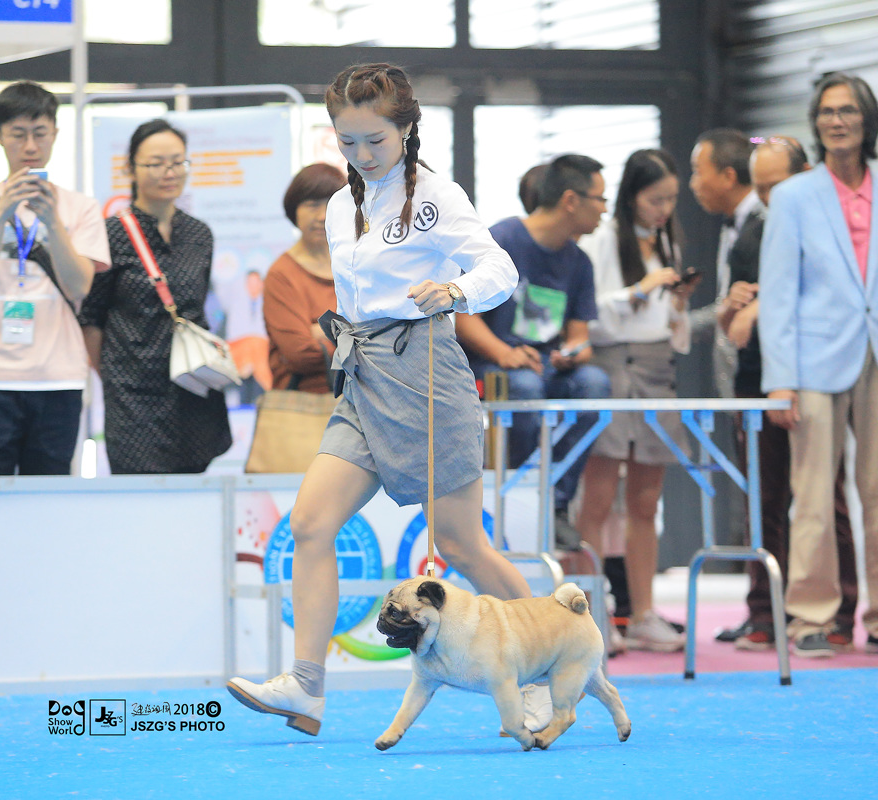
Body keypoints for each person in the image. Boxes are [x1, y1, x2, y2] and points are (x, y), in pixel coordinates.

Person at [227, 63, 551, 737]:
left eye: (374, 140)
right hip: (363, 375)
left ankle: (542, 668)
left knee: (463, 544)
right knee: (310, 524)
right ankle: (306, 685)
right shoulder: (339, 205)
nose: (362, 154)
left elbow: (500, 268)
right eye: (347, 141)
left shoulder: (436, 195)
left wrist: (456, 291)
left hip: (427, 372)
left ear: (406, 129)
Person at [715, 135, 858, 652]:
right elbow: (732, 323)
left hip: (816, 372)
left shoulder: (828, 223)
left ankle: (839, 612)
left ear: (804, 176)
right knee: (765, 500)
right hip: (757, 378)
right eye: (760, 187)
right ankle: (766, 612)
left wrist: (764, 307)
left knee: (824, 498)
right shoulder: (751, 230)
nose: (767, 197)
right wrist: (733, 309)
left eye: (776, 185)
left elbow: (835, 297)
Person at [760, 72, 878, 658]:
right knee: (811, 495)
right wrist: (780, 379)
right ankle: (810, 616)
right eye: (827, 111)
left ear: (866, 119)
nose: (837, 120)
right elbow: (778, 291)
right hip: (810, 361)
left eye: (847, 110)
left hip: (875, 354)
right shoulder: (793, 195)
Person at [0, 81, 111, 476]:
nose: (30, 146)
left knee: (47, 498)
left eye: (40, 133)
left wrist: (52, 221)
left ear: (55, 133)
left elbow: (80, 287)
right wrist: (1, 214)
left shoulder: (81, 207)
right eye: (18, 134)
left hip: (59, 378)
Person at [575, 149, 698, 652]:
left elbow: (674, 332)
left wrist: (678, 303)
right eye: (655, 199)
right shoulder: (604, 238)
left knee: (647, 500)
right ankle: (588, 615)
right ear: (631, 196)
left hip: (656, 367)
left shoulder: (667, 240)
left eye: (670, 199)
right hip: (612, 366)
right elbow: (591, 317)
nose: (663, 209)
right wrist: (639, 291)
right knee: (598, 498)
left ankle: (643, 612)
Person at [454, 155, 612, 539]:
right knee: (524, 387)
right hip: (494, 366)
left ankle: (555, 501)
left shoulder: (579, 262)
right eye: (600, 199)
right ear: (571, 200)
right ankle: (521, 500)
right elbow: (461, 315)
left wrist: (573, 353)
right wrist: (504, 353)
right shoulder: (502, 240)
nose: (605, 210)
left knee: (594, 383)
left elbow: (579, 338)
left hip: (545, 366)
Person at [79, 119, 232, 474]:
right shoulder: (110, 234)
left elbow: (196, 310)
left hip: (193, 387)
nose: (169, 172)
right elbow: (90, 319)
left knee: (195, 487)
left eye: (178, 162)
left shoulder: (199, 234)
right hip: (133, 398)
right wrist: (115, 376)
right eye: (156, 163)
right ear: (129, 168)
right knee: (140, 493)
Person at [689, 129, 760, 400]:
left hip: (763, 376)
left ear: (728, 177)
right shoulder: (733, 222)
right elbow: (728, 303)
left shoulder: (767, 220)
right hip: (739, 376)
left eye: (698, 172)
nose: (693, 184)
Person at [262, 163, 345, 394]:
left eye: (330, 205)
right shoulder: (282, 274)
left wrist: (323, 331)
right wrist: (355, 335)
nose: (322, 216)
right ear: (294, 210)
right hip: (306, 404)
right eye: (312, 205)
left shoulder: (355, 264)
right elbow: (299, 354)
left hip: (363, 400)